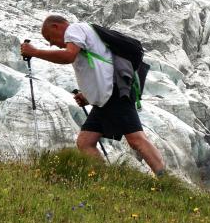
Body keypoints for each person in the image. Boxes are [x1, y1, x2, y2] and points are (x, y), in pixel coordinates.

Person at [20, 14, 167, 176]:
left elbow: (69, 56)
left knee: (135, 139)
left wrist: (35, 52)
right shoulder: (84, 33)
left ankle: (163, 178)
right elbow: (100, 65)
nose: (52, 43)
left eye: (49, 37)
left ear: (56, 26)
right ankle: (105, 178)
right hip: (105, 98)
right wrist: (87, 96)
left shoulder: (73, 30)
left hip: (115, 93)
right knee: (85, 142)